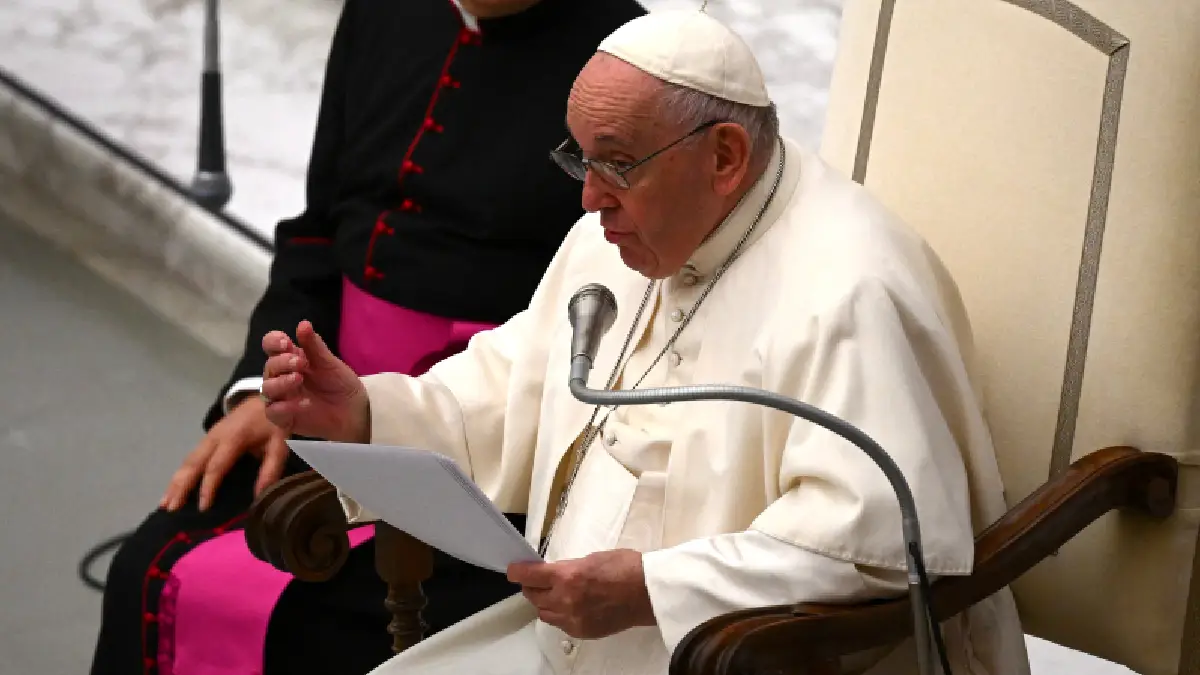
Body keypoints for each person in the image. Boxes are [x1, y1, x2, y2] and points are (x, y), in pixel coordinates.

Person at [256, 9, 1032, 675]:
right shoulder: (621, 233)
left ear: (725, 157)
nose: (590, 197)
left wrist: (653, 587)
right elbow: (511, 383)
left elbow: (876, 541)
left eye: (616, 165)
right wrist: (367, 409)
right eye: (579, 159)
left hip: (740, 656)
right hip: (573, 640)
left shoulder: (849, 287)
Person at [88, 1, 646, 674]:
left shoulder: (627, 66)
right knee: (146, 571)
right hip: (327, 412)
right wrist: (258, 391)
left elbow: (626, 311)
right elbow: (317, 232)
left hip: (490, 468)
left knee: (319, 635)